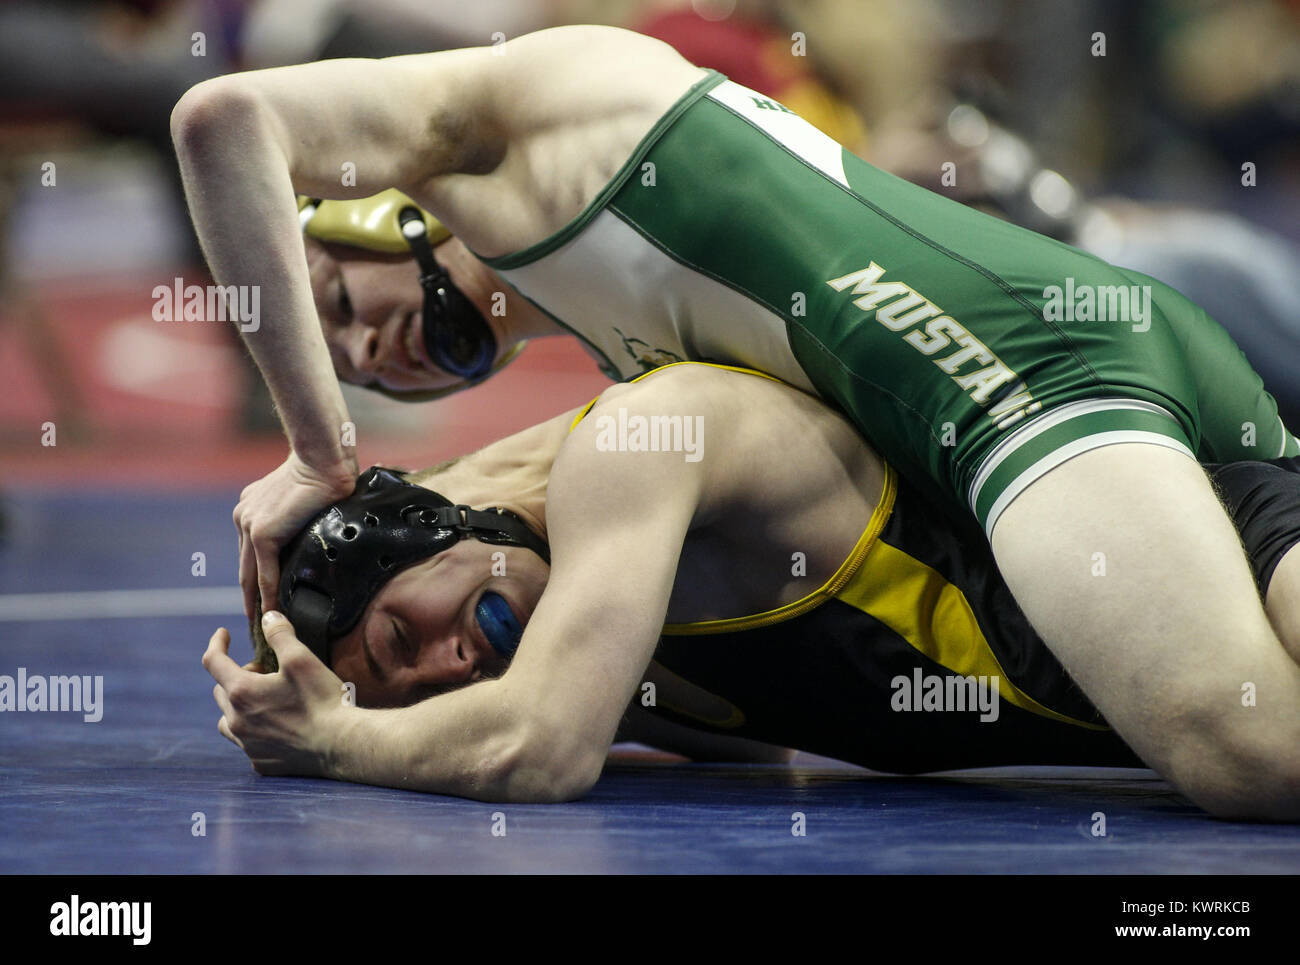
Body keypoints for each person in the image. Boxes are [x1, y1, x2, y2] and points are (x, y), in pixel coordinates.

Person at [175, 26, 1300, 818]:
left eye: (334, 305)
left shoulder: (523, 115)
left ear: (361, 198)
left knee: (1242, 753)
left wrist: (320, 455)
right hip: (1098, 382)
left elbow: (223, 118)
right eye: (361, 366)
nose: (372, 356)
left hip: (1023, 385)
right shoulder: (615, 325)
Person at [203, 362, 1300, 818]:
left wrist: (338, 739)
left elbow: (536, 749)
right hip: (1169, 695)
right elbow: (752, 744)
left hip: (1224, 543)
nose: (453, 664)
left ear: (437, 522)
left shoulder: (638, 443)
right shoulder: (602, 637)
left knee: (1261, 756)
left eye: (408, 628)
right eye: (417, 690)